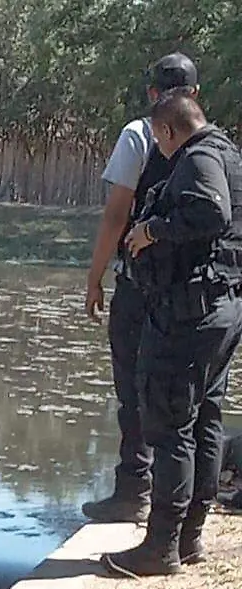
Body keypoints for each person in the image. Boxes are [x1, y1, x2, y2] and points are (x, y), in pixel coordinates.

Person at [101, 91, 242, 577]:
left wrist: (153, 231)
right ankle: (189, 538)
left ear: (166, 130)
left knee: (169, 427)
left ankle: (160, 547)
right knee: (204, 421)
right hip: (222, 308)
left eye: (160, 141)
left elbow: (212, 213)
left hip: (191, 314)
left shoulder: (198, 158)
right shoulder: (229, 154)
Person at [82, 53, 202, 524]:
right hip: (191, 293)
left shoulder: (138, 133)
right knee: (188, 396)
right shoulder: (211, 144)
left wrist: (94, 278)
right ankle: (187, 503)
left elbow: (116, 213)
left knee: (133, 387)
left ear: (154, 96)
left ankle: (134, 490)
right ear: (194, 95)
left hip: (139, 283)